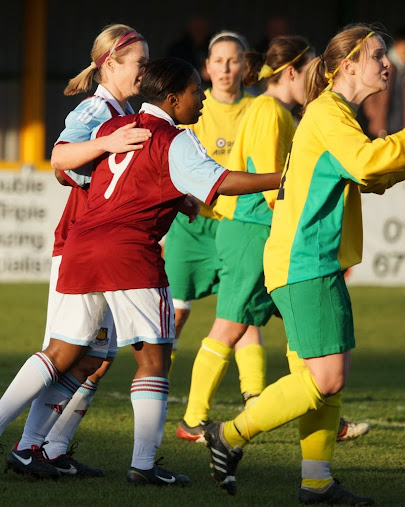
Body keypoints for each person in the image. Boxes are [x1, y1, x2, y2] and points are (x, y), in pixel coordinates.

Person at [0, 56, 282, 487]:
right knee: (153, 358)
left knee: (73, 354)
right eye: (194, 91)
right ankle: (144, 465)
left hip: (81, 245)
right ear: (172, 98)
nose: (202, 96)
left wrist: (169, 194)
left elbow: (75, 174)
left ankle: (1, 434)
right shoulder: (174, 138)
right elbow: (221, 181)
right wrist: (280, 178)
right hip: (128, 251)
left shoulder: (115, 129)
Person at [204, 24, 405, 504]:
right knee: (325, 379)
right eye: (377, 55)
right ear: (348, 65)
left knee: (327, 380)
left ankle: (316, 482)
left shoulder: (334, 113)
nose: (386, 62)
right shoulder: (330, 112)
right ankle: (226, 435)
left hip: (311, 260)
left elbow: (368, 177)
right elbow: (369, 163)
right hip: (304, 260)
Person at [0, 24, 152, 479]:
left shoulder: (124, 109)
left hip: (104, 245)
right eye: (139, 64)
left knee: (97, 356)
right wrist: (106, 142)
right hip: (81, 243)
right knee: (68, 350)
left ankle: (42, 449)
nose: (145, 72)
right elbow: (59, 157)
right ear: (110, 64)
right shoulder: (97, 108)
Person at [177, 35, 312, 444]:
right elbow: (274, 184)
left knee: (292, 320)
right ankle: (193, 419)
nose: (317, 80)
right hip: (252, 228)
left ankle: (317, 398)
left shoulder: (264, 108)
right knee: (230, 324)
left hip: (256, 229)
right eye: (313, 71)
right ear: (292, 71)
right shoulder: (270, 112)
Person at [164, 31, 254, 377]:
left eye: (233, 60)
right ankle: (157, 383)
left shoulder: (260, 109)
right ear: (207, 66)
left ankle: (254, 395)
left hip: (238, 224)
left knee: (242, 312)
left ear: (245, 66)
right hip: (191, 224)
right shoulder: (192, 108)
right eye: (219, 60)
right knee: (176, 311)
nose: (226, 68)